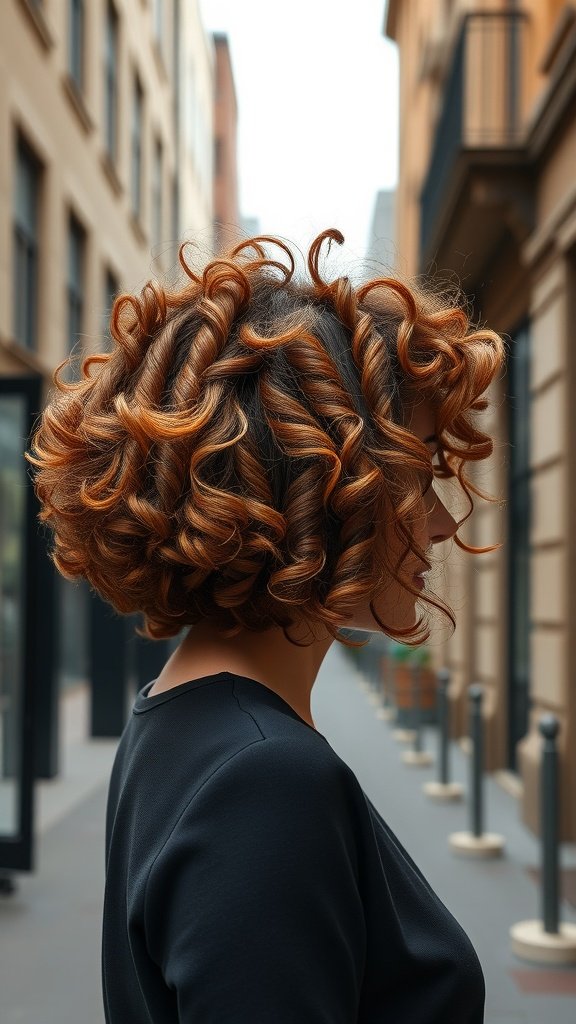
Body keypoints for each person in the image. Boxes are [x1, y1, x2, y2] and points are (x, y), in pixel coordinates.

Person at [27, 228, 505, 1022]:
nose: (441, 525)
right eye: (419, 474)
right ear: (323, 482)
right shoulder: (266, 783)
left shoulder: (179, 716)